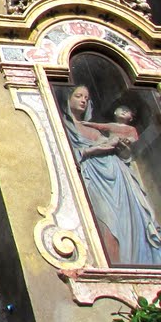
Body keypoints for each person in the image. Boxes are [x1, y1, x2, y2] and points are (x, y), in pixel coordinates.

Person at [64, 86, 161, 265]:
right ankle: (115, 268)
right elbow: (63, 153)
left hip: (118, 175)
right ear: (67, 99)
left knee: (132, 223)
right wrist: (95, 148)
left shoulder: (97, 130)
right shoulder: (64, 126)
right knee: (107, 225)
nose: (83, 100)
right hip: (93, 175)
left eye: (86, 97)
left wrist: (122, 150)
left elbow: (124, 155)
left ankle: (138, 266)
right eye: (78, 96)